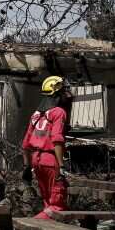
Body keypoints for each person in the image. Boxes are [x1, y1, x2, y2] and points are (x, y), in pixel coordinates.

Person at [21, 76, 73, 220]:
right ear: (57, 93)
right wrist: (61, 166)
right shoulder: (58, 112)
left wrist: (26, 166)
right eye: (64, 90)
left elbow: (25, 144)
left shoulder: (36, 115)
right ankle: (31, 228)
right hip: (51, 160)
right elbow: (57, 139)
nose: (66, 94)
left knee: (48, 202)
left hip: (36, 161)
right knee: (57, 206)